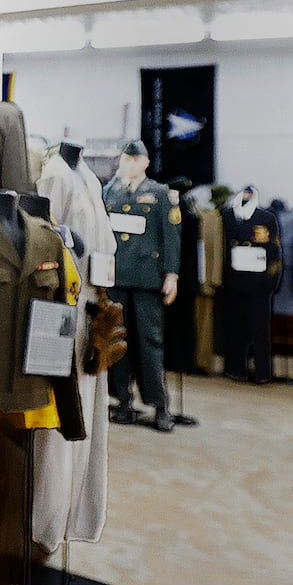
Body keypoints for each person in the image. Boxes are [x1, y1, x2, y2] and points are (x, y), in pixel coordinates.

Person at [103, 139, 180, 432]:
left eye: (135, 159)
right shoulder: (110, 191)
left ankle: (159, 405)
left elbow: (171, 236)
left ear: (146, 162)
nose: (130, 163)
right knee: (119, 341)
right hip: (117, 277)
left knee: (150, 344)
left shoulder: (160, 194)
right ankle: (123, 399)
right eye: (126, 158)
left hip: (148, 279)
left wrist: (171, 274)